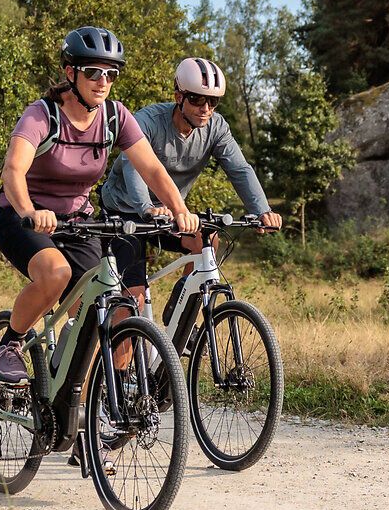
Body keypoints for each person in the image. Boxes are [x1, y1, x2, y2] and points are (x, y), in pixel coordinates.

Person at [0, 27, 198, 387]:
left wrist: (180, 209)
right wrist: (28, 211)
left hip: (78, 223)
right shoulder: (43, 115)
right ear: (70, 74)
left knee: (102, 313)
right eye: (93, 72)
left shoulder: (115, 117)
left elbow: (151, 168)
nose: (103, 81)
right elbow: (13, 169)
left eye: (111, 74)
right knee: (57, 274)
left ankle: (80, 425)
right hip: (23, 217)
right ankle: (10, 343)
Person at [100, 56, 283, 316]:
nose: (205, 108)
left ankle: (181, 316)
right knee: (133, 302)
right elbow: (134, 167)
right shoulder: (148, 121)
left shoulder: (216, 127)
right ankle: (120, 349)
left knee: (206, 240)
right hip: (125, 210)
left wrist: (262, 210)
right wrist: (147, 208)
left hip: (170, 211)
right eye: (197, 99)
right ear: (179, 96)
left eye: (213, 101)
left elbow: (239, 169)